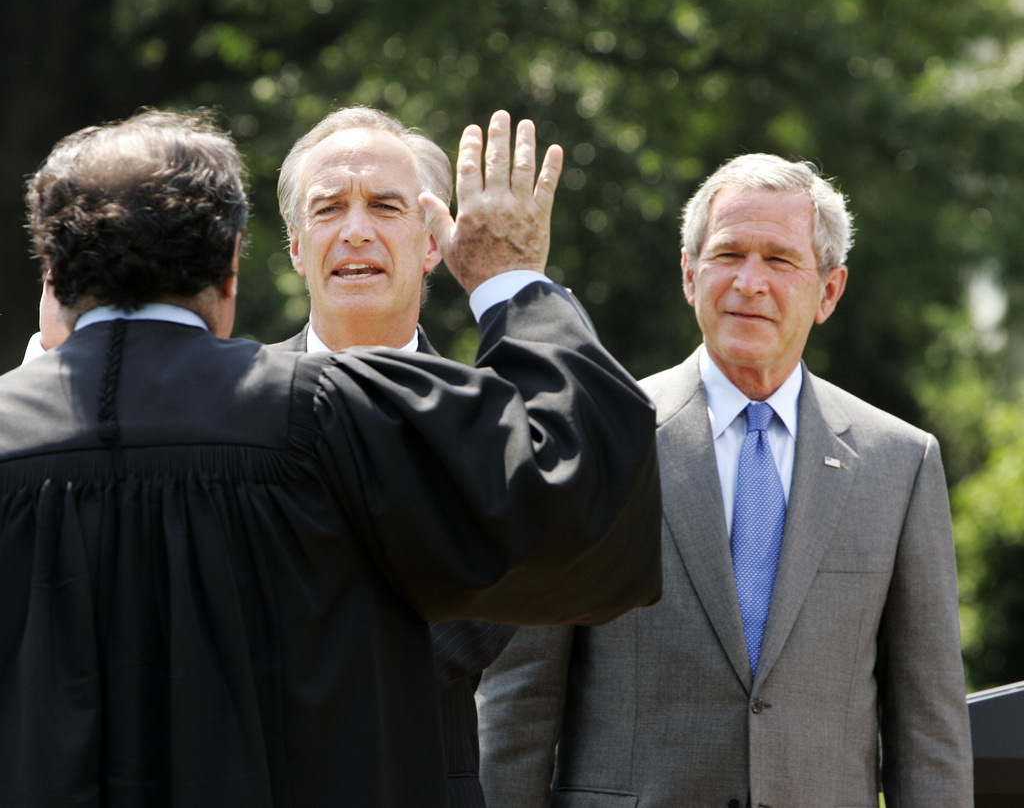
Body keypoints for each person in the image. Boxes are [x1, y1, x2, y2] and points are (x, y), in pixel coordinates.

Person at [0, 107, 663, 807]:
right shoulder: (317, 414)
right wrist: (512, 283)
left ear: (55, 272)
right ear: (232, 267)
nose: (355, 230)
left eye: (383, 206)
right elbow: (583, 497)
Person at [477, 153, 973, 807]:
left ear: (829, 291)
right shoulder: (590, 441)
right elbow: (517, 706)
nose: (749, 282)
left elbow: (930, 729)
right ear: (689, 274)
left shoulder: (900, 463)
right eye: (729, 254)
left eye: (780, 259)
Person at [270, 105, 517, 808]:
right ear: (295, 245)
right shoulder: (224, 412)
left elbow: (470, 628)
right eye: (328, 209)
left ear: (433, 241)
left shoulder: (490, 422)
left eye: (384, 206)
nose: (356, 231)